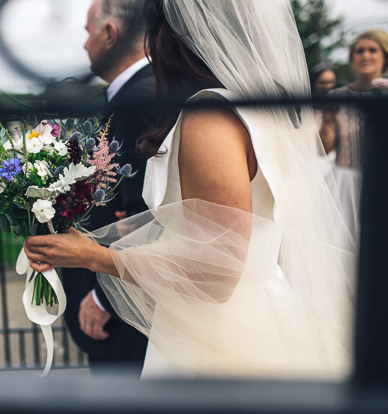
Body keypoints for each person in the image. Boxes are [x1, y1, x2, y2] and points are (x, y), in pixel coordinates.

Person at [26, 0, 356, 380]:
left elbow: (216, 273)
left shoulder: (210, 118)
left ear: (175, 37)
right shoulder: (258, 108)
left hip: (219, 337)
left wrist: (96, 257)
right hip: (256, 311)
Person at [60, 0, 158, 376]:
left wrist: (105, 298)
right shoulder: (132, 95)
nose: (85, 45)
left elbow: (148, 216)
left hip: (125, 311)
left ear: (110, 34)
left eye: (88, 33)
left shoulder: (141, 99)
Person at [320, 29, 388, 242]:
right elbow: (325, 149)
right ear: (352, 59)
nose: (365, 56)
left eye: (372, 50)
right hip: (344, 183)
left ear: (384, 56)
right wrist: (329, 123)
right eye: (359, 51)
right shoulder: (337, 96)